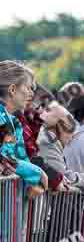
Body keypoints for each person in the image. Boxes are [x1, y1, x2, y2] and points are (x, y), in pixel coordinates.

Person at [0, 61, 48, 195]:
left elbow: (21, 158)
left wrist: (30, 183)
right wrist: (37, 173)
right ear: (12, 90)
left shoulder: (14, 122)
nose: (31, 94)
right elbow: (3, 158)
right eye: (28, 87)